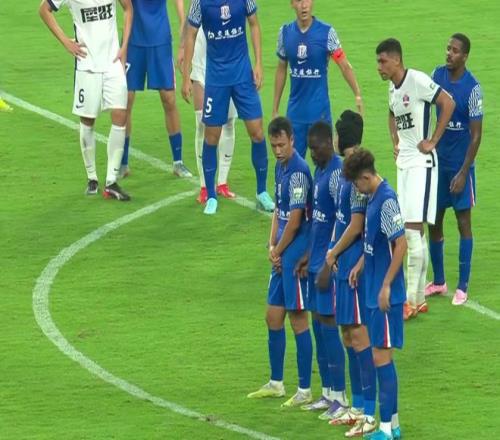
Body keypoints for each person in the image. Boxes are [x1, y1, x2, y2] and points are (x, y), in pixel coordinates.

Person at [376, 38, 455, 319]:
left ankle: (409, 300)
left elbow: (448, 102)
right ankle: (419, 299)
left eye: (383, 61)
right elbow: (391, 114)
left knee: (410, 231)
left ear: (397, 60)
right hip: (405, 164)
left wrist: (433, 140)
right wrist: (395, 141)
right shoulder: (392, 88)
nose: (379, 67)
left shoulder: (417, 80)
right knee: (414, 231)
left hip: (422, 163)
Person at [182, 0, 274, 215]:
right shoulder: (200, 3)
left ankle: (262, 192)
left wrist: (258, 63)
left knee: (257, 132)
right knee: (211, 136)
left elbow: (254, 23)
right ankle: (211, 196)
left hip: (242, 74)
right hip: (216, 78)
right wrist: (186, 76)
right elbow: (190, 34)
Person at [317, 111, 377, 436]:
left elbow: (356, 226)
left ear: (341, 138)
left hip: (352, 265)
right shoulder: (347, 172)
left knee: (359, 335)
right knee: (347, 335)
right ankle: (356, 405)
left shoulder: (356, 178)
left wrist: (333, 253)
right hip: (343, 263)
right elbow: (342, 221)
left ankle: (368, 410)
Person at [247, 117, 313, 408]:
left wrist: (280, 251)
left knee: (298, 320)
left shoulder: (298, 172)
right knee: (273, 317)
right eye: (273, 145)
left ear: (292, 141)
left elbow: (296, 220)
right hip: (282, 250)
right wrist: (271, 243)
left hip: (295, 254)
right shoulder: (280, 166)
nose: (277, 150)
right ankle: (276, 384)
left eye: (281, 145)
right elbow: (279, 211)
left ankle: (304, 389)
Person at [39, 0, 133, 201]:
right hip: (87, 64)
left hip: (113, 63)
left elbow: (128, 8)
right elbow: (44, 9)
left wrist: (124, 46)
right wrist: (66, 42)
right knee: (88, 119)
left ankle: (111, 182)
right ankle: (92, 178)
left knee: (120, 115)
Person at [344, 148, 407, 440]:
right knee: (380, 356)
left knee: (382, 358)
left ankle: (385, 429)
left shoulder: (387, 200)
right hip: (372, 290)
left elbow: (401, 244)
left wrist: (386, 285)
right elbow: (374, 243)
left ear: (367, 176)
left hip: (385, 297)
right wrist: (360, 264)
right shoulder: (372, 197)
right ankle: (393, 425)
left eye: (357, 183)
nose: (357, 189)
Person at [425, 33, 483, 306]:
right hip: (438, 164)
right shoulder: (437, 76)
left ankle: (462, 286)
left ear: (465, 56)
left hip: (460, 166)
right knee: (434, 221)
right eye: (448, 48)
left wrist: (463, 172)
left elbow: (476, 136)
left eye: (455, 50)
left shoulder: (473, 89)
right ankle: (439, 281)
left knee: (463, 223)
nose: (449, 53)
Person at [272, 0, 363, 158]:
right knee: (291, 162)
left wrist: (357, 94)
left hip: (320, 114)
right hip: (295, 115)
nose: (304, 5)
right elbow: (281, 69)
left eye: (307, 0)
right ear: (292, 3)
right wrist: (275, 108)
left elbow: (344, 65)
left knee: (325, 163)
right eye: (299, 1)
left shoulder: (327, 33)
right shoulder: (285, 33)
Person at [297, 121, 346, 415]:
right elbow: (318, 219)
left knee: (329, 327)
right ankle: (327, 393)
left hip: (327, 265)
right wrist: (307, 254)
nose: (313, 154)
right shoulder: (320, 170)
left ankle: (340, 396)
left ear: (329, 143)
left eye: (316, 149)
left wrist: (330, 261)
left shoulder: (338, 173)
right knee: (318, 325)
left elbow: (342, 221)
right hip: (314, 261)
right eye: (310, 149)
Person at [122, 0, 192, 179]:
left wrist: (182, 23)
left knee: (169, 99)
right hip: (133, 40)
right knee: (126, 101)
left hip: (160, 40)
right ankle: (122, 163)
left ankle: (178, 162)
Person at [189, 26, 237, 204]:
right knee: (203, 124)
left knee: (229, 122)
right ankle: (204, 187)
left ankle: (222, 183)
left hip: (229, 68)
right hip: (201, 67)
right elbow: (190, 26)